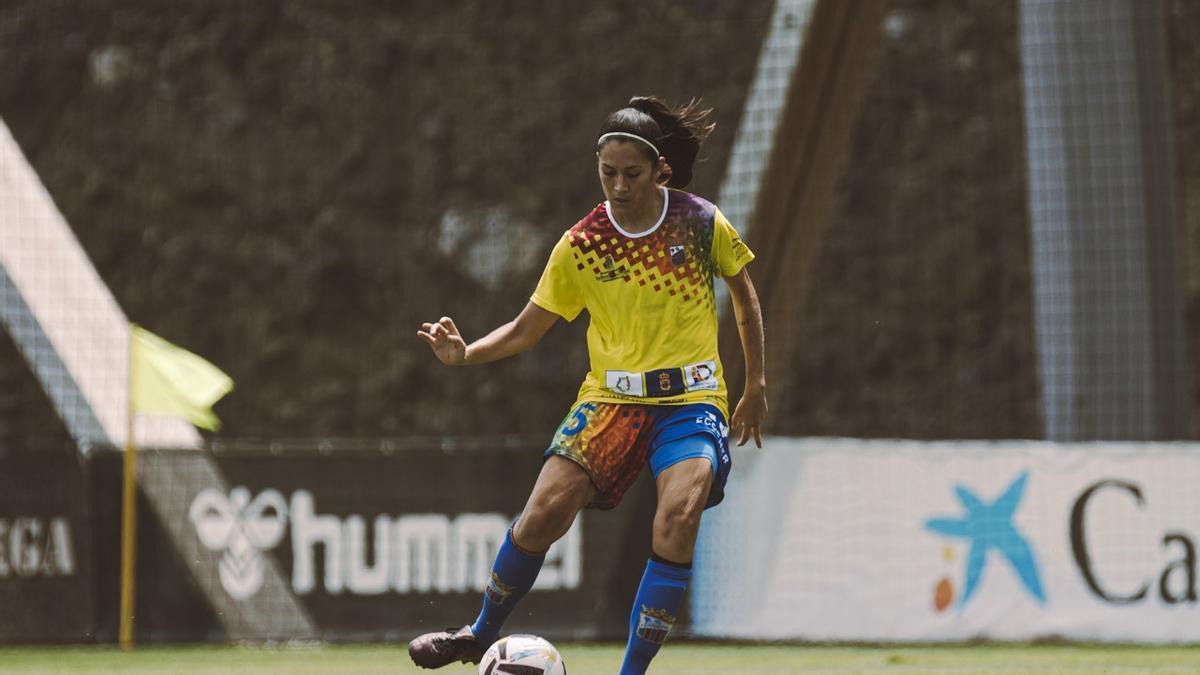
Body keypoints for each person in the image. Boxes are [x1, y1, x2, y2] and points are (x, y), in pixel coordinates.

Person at [409, 95, 767, 674]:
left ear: (660, 172)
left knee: (677, 518)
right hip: (610, 401)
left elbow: (746, 299)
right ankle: (479, 633)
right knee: (543, 512)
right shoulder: (582, 244)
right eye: (607, 173)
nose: (618, 186)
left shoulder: (700, 221)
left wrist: (755, 386)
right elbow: (527, 331)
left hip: (692, 401)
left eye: (631, 174)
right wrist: (465, 353)